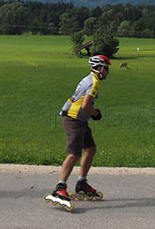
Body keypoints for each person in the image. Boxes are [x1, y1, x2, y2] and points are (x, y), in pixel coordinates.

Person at [50, 55, 111, 205]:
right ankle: (60, 187)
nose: (108, 72)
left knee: (90, 148)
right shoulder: (94, 82)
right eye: (107, 69)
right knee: (74, 154)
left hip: (80, 120)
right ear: (99, 68)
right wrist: (95, 113)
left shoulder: (88, 78)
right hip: (74, 120)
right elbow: (85, 106)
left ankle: (81, 183)